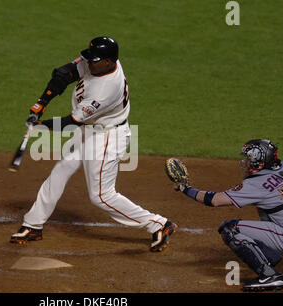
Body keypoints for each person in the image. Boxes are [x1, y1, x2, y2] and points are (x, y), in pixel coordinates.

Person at [10, 36, 177, 252]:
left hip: (106, 138)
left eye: (95, 60)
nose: (89, 63)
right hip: (88, 131)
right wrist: (41, 103)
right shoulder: (98, 63)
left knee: (101, 196)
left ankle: (159, 224)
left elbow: (72, 121)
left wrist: (40, 126)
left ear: (108, 62)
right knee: (60, 172)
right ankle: (33, 225)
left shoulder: (106, 89)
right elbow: (65, 73)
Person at [174, 139, 283, 291]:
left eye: (249, 158)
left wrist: (185, 188)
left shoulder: (257, 183)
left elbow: (214, 200)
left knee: (230, 229)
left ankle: (269, 276)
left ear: (259, 160)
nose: (246, 162)